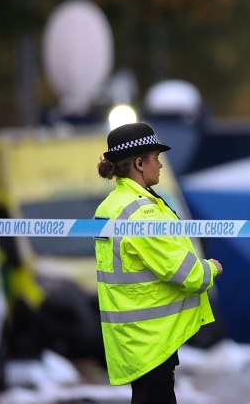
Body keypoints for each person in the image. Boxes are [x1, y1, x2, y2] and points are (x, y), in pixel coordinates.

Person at [94, 122, 221, 404]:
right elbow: (185, 273)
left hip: (136, 337)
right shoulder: (142, 212)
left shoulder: (113, 205)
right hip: (151, 339)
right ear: (139, 163)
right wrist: (211, 269)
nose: (161, 166)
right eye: (156, 158)